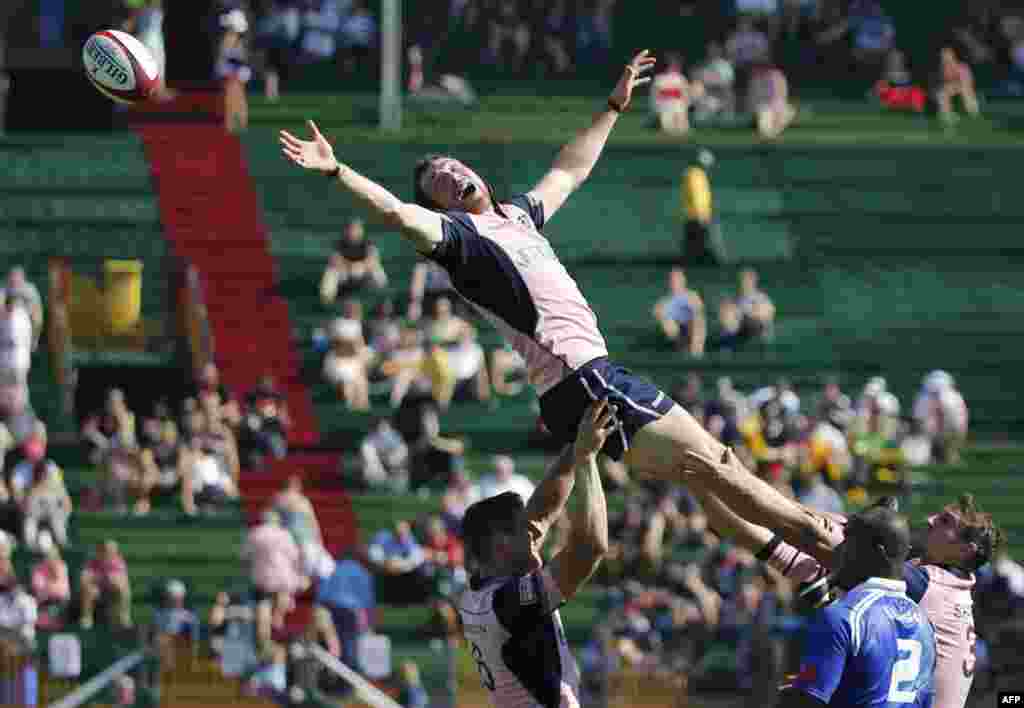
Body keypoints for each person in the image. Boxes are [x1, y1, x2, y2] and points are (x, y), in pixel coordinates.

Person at [279, 50, 795, 526]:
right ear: (439, 205)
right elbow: (393, 211)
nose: (451, 172)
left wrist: (614, 106)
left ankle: (804, 557)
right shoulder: (457, 237)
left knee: (706, 470)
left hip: (576, 381)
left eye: (453, 165)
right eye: (438, 179)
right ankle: (826, 541)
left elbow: (570, 170)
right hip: (581, 374)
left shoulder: (519, 216)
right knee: (713, 463)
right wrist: (337, 171)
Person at [684, 448, 1000, 708]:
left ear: (965, 550)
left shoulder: (925, 585)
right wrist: (714, 487)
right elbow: (785, 538)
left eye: (945, 521)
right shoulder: (922, 583)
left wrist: (740, 484)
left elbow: (818, 533)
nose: (930, 520)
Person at [454, 399, 613, 707]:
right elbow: (591, 546)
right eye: (522, 531)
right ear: (501, 543)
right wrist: (587, 458)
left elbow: (542, 511)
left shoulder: (486, 587)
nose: (534, 535)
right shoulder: (508, 603)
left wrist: (576, 444)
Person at [779, 505, 936, 708]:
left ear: (876, 553)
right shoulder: (925, 624)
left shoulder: (844, 615)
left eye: (849, 544)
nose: (839, 553)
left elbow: (807, 703)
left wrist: (794, 695)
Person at [652, 268, 706, 356]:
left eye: (678, 279)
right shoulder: (665, 301)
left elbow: (698, 309)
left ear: (684, 280)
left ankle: (696, 353)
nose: (675, 282)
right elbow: (657, 312)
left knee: (698, 320)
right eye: (672, 279)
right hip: (676, 330)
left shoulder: (692, 295)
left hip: (690, 326)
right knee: (667, 322)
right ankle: (683, 350)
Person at [936, 47, 981, 127]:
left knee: (964, 90)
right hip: (953, 89)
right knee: (941, 93)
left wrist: (957, 85)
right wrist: (948, 87)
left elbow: (968, 82)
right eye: (943, 57)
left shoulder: (962, 66)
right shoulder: (943, 69)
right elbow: (943, 83)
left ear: (953, 56)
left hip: (965, 88)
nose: (945, 59)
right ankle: (947, 116)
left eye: (947, 56)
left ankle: (973, 112)